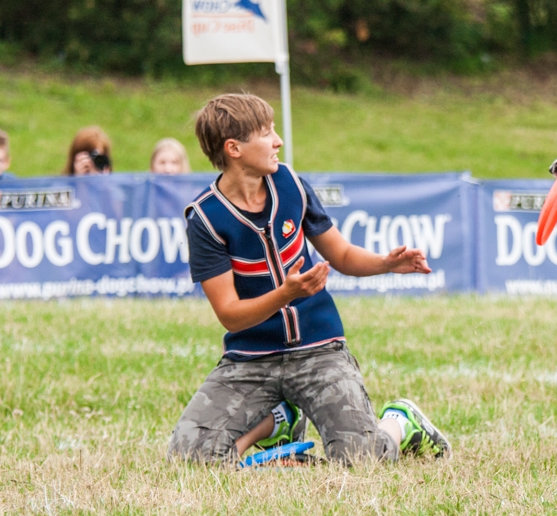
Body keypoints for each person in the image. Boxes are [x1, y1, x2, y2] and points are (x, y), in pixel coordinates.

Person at [167, 93, 450, 466]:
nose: (277, 141)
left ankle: (401, 422)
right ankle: (279, 423)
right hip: (250, 359)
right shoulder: (204, 219)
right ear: (234, 148)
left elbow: (342, 255)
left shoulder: (291, 185)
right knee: (188, 457)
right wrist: (286, 293)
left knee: (359, 460)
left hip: (320, 350)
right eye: (266, 133)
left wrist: (385, 263)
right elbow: (230, 315)